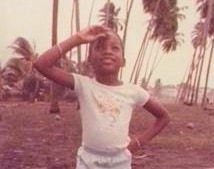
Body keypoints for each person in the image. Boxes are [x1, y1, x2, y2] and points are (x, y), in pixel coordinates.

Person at [33, 25, 169, 169]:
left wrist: (138, 142)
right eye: (100, 47)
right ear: (90, 60)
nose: (107, 52)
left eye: (114, 48)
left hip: (121, 161)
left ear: (123, 61)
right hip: (88, 161)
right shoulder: (83, 85)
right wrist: (78, 39)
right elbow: (41, 64)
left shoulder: (133, 91)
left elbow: (163, 117)